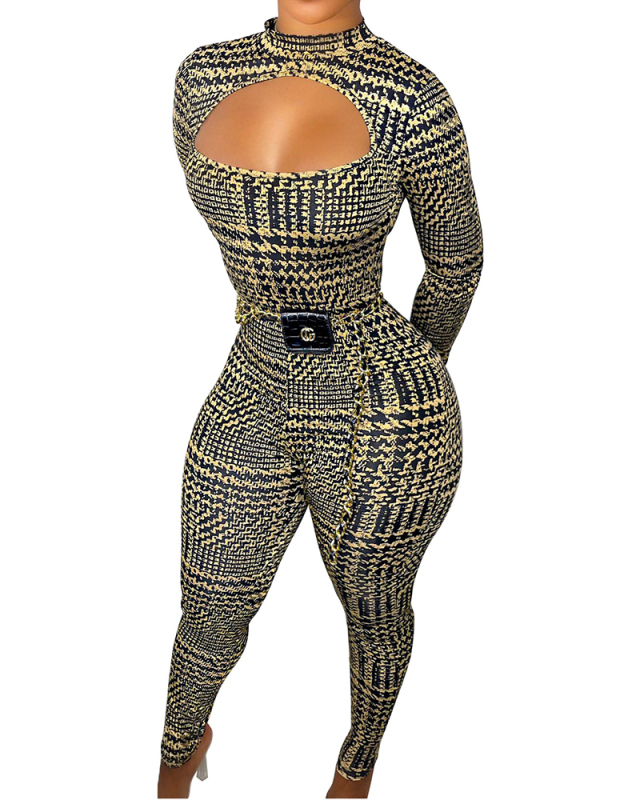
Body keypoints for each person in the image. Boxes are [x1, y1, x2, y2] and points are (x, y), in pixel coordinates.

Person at [158, 2, 483, 797]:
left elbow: (456, 264)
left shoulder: (411, 96)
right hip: (254, 375)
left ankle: (354, 772)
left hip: (384, 394)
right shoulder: (203, 77)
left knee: (373, 608)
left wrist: (407, 383)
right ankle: (174, 759)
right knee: (209, 601)